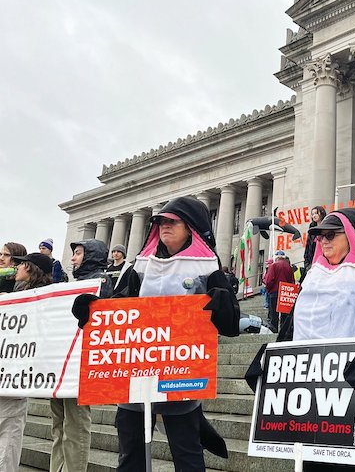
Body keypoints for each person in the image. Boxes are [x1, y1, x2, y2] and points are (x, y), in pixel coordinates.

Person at [73, 196, 239, 470]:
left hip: (180, 376)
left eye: (172, 221)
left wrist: (222, 305)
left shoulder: (208, 266)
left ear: (191, 227)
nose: (164, 226)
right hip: (136, 373)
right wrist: (93, 311)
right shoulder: (140, 265)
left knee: (186, 453)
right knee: (131, 452)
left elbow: (231, 325)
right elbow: (119, 306)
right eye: (160, 221)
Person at [246, 209, 355, 472]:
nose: (324, 241)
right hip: (309, 389)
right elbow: (292, 328)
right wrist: (271, 358)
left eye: (331, 235)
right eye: (319, 236)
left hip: (349, 389)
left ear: (352, 237)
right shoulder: (312, 276)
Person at [50, 238, 110, 472]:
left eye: (77, 253)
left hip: (79, 365)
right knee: (59, 427)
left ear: (91, 255)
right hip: (62, 361)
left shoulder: (102, 282)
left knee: (74, 427)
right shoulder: (74, 283)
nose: (72, 258)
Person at [0, 243, 32, 472]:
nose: (1, 257)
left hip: (13, 371)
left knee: (9, 436)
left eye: (6, 255)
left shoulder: (22, 289)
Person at [263, 250, 294, 333]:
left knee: (274, 314)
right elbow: (292, 281)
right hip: (285, 293)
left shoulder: (273, 266)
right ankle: (283, 332)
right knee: (284, 315)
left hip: (274, 292)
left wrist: (268, 289)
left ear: (276, 258)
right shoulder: (289, 267)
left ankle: (274, 331)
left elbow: (269, 280)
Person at [302, 205, 326, 277]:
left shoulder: (327, 227)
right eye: (312, 214)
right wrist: (307, 264)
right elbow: (308, 246)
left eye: (316, 213)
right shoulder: (312, 229)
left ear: (321, 213)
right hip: (311, 263)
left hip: (323, 263)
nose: (314, 216)